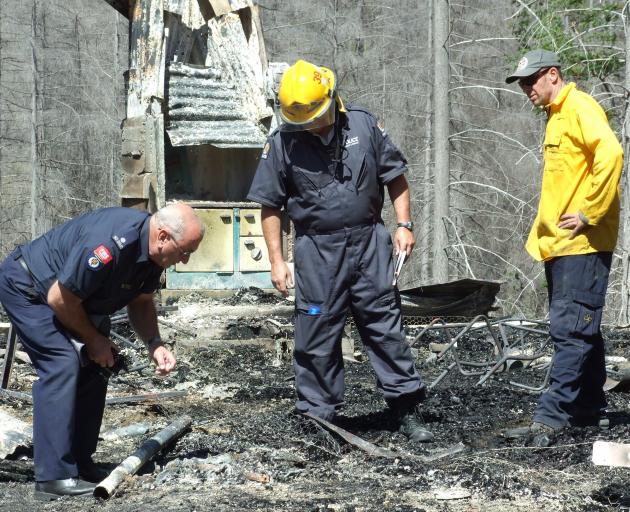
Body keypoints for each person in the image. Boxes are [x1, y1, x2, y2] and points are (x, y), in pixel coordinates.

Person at [247, 59, 433, 443]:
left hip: (369, 243)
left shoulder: (364, 126)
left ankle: (405, 409)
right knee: (315, 332)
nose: (312, 125)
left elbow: (395, 176)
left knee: (384, 326)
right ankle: (319, 420)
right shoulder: (282, 143)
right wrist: (277, 260)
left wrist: (404, 224)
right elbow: (269, 205)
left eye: (316, 116)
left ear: (332, 98)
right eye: (303, 121)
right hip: (316, 251)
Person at [0, 203, 204, 500]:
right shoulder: (111, 243)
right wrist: (93, 340)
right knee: (62, 362)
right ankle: (53, 478)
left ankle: (79, 462)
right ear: (162, 236)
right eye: (184, 252)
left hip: (70, 301)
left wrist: (154, 343)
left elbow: (142, 303)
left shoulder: (152, 256)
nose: (183, 261)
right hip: (28, 287)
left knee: (98, 366)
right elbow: (59, 298)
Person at [504, 49, 623, 445]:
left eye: (530, 80)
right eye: (521, 82)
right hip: (560, 244)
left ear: (552, 74)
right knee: (582, 328)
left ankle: (549, 419)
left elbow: (612, 152)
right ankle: (588, 409)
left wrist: (588, 211)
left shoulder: (579, 107)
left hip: (583, 243)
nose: (526, 89)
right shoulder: (557, 115)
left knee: (569, 330)